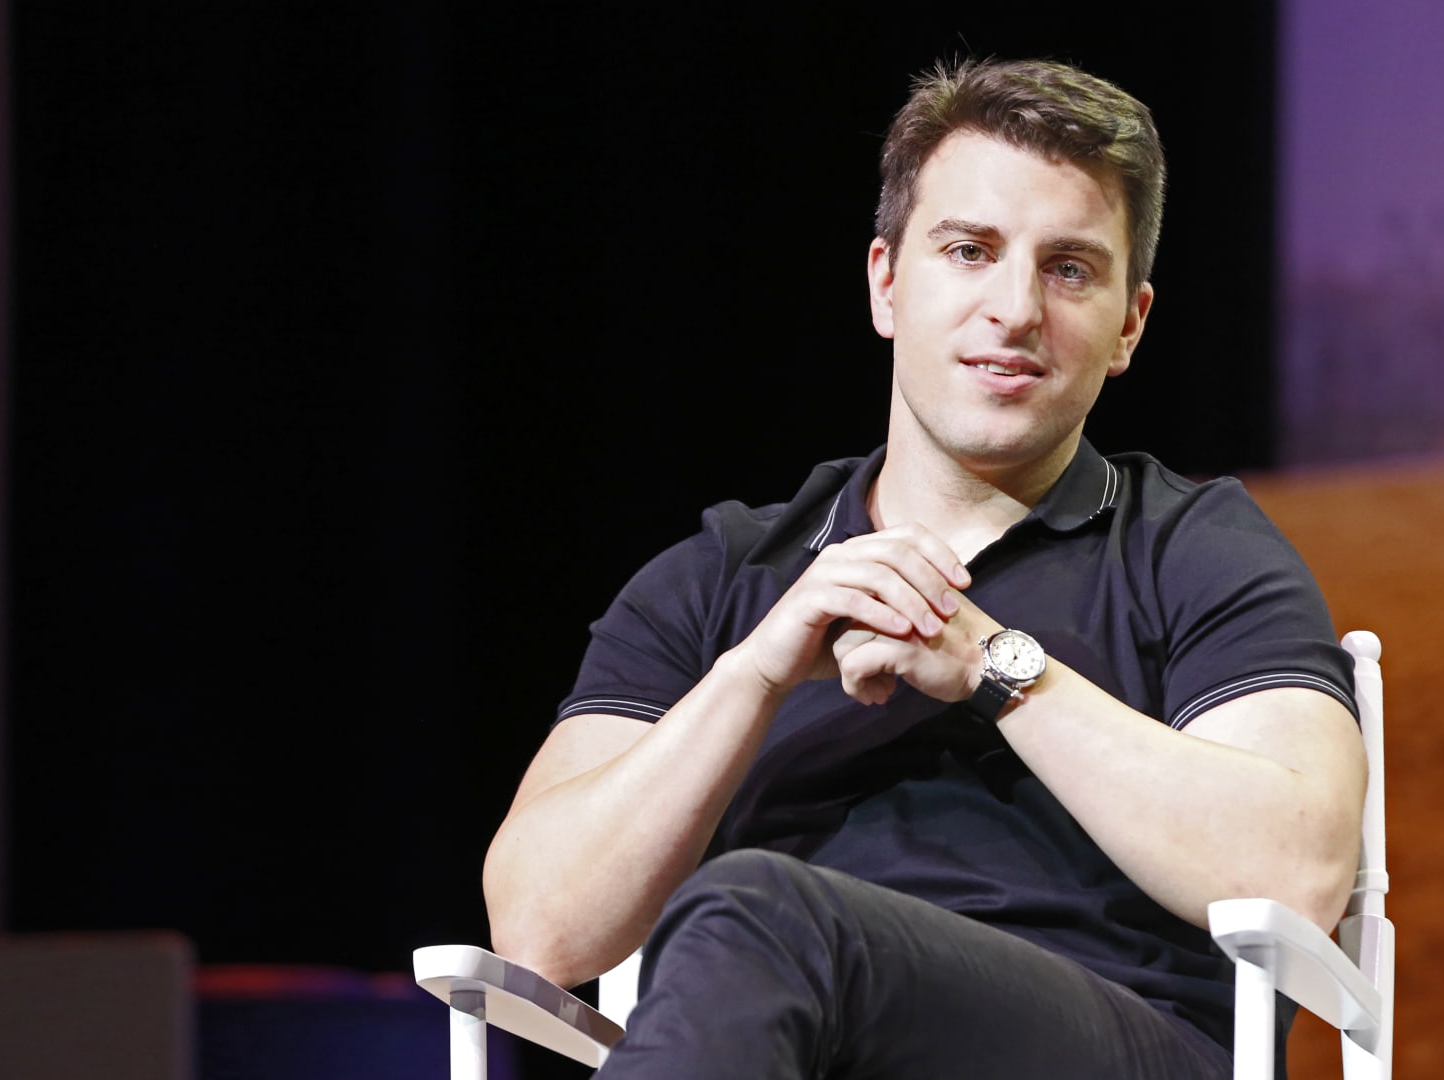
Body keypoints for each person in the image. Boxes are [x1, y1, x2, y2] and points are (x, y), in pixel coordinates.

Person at [482, 57, 1366, 1078]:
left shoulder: (1195, 547)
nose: (1016, 309)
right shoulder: (723, 578)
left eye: (1069, 268)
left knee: (758, 910)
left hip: (1114, 1042)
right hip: (778, 1042)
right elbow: (539, 930)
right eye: (970, 251)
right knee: (756, 921)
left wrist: (994, 666)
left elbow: (1295, 871)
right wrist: (754, 676)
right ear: (887, 283)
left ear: (1129, 324)